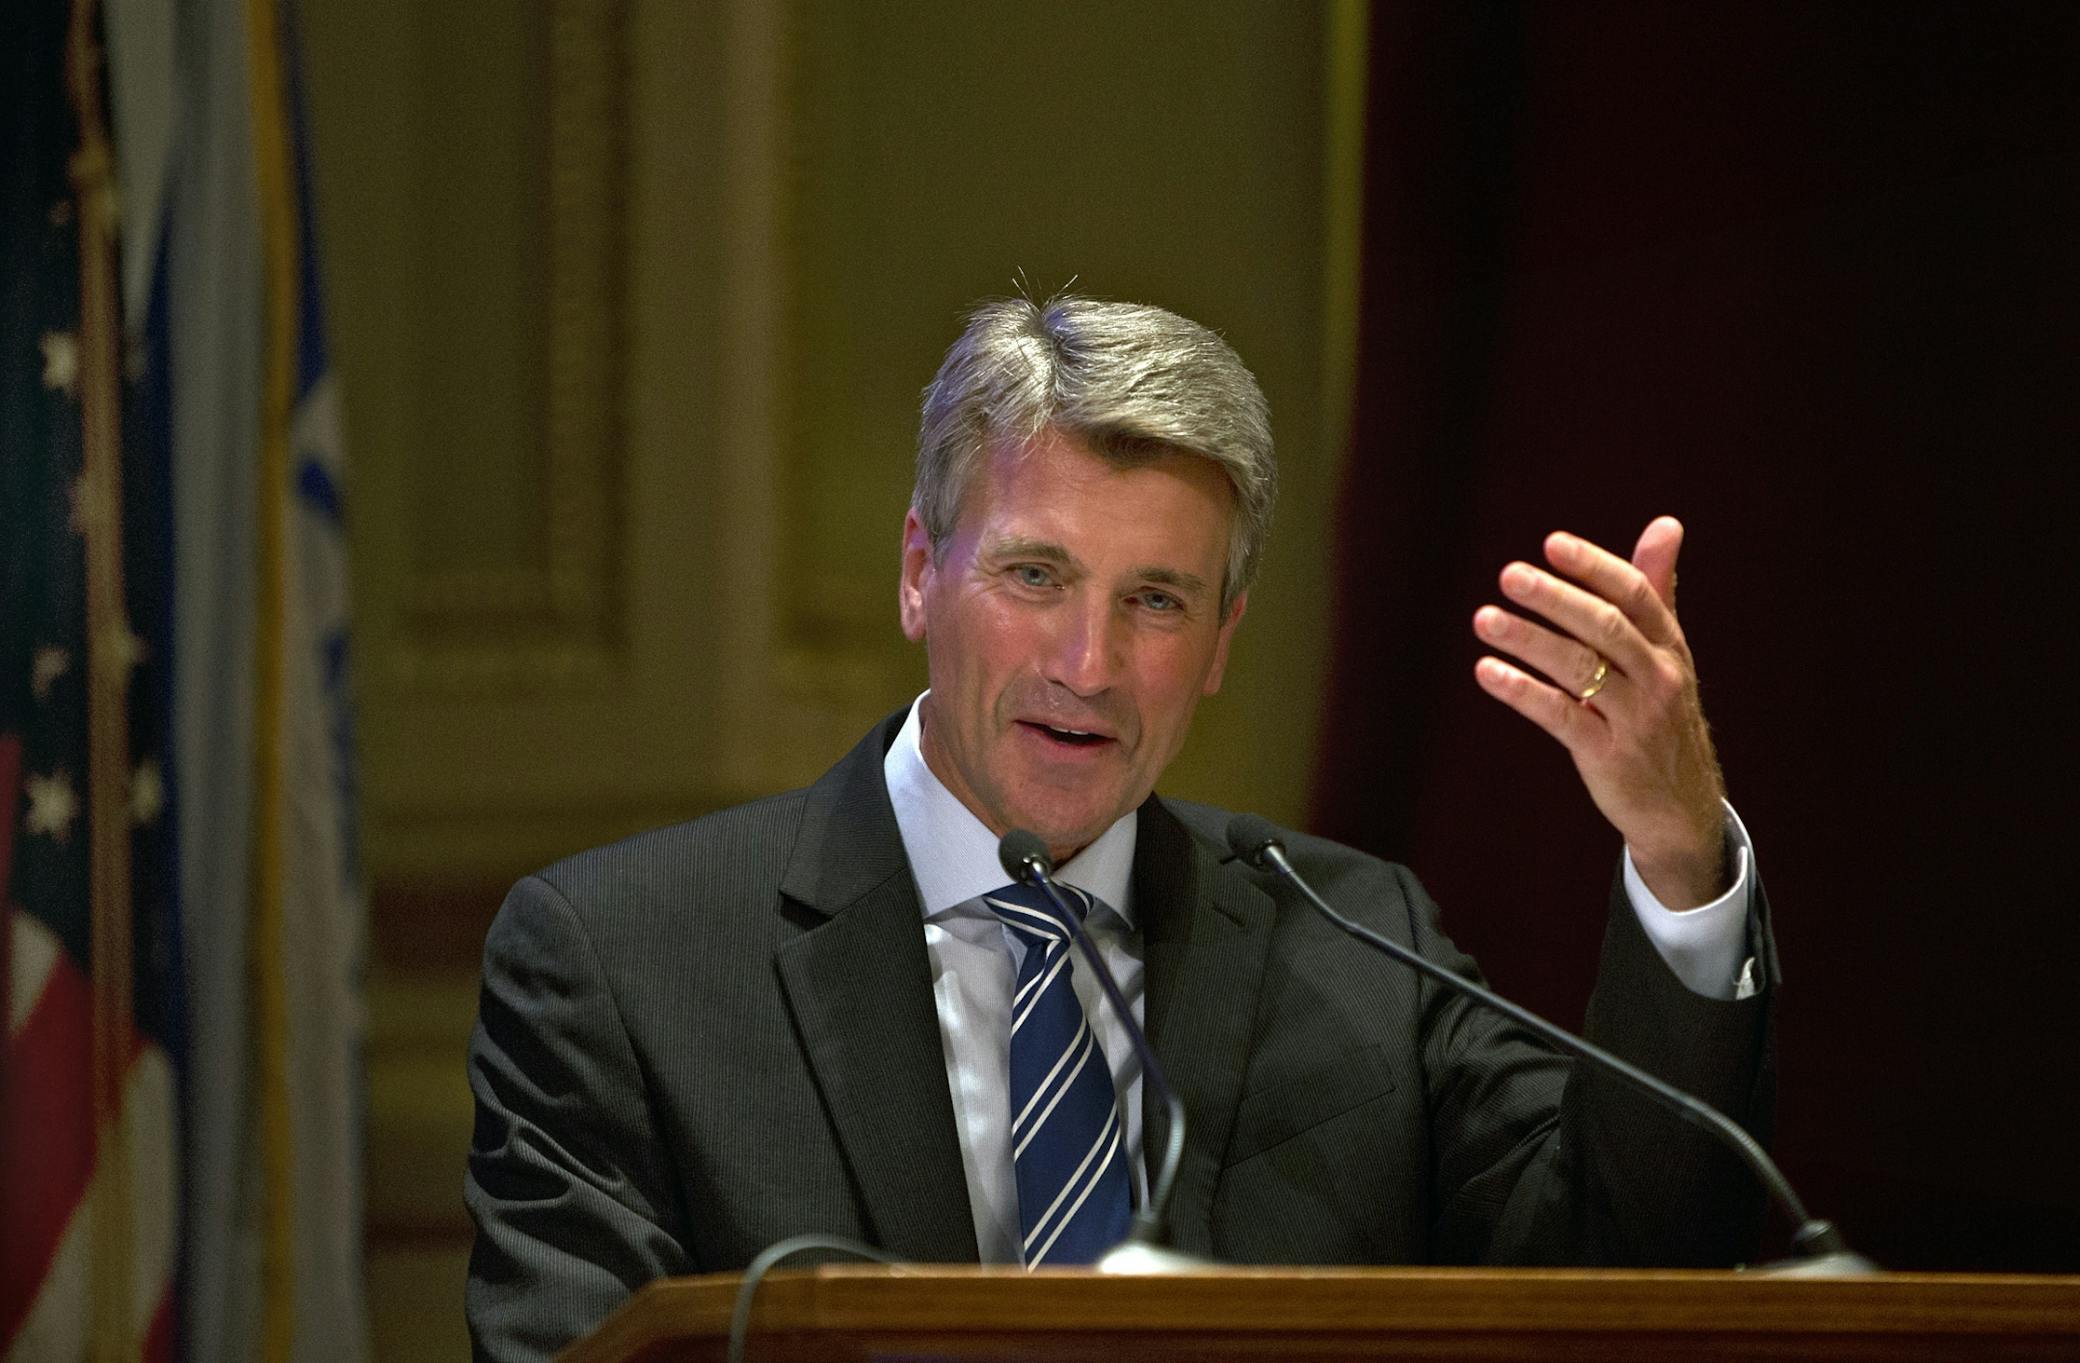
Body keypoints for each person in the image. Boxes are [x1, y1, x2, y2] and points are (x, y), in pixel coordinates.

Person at [464, 296, 1773, 1362]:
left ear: (1220, 645)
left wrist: (1675, 852)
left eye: (1157, 601)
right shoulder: (625, 963)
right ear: (922, 572)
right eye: (1036, 577)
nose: (1088, 664)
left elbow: (1633, 1272)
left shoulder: (1360, 944)